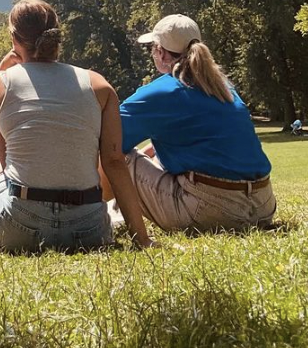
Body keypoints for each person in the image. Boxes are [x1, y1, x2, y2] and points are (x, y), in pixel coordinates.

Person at [0, 0, 151, 253]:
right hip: (88, 228)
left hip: (19, 226)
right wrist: (142, 238)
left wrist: (1, 68)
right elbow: (114, 160)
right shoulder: (99, 85)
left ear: (14, 41)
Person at [114, 14, 276, 232]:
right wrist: (150, 151)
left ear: (160, 52)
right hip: (263, 206)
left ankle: (98, 214)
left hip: (213, 211)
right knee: (146, 157)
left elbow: (109, 140)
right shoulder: (224, 89)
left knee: (117, 154)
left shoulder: (162, 92)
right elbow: (205, 137)